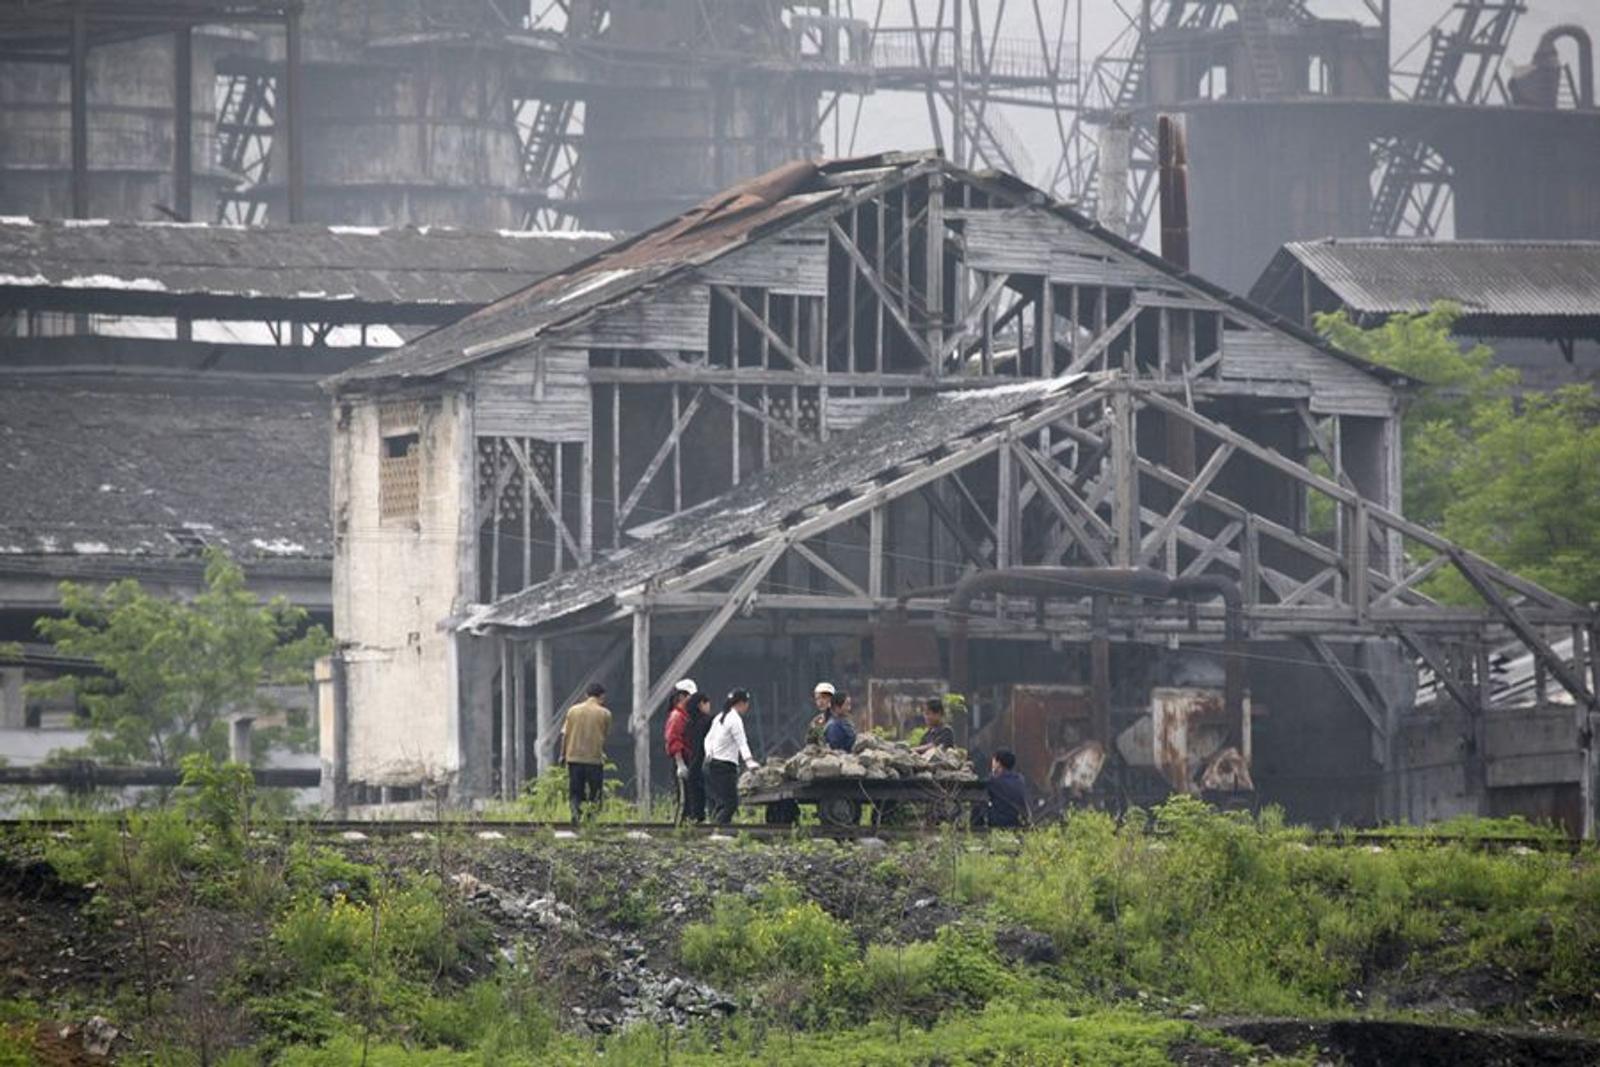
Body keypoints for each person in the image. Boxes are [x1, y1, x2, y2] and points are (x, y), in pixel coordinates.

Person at [704, 688, 760, 824]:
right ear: (741, 703)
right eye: (747, 703)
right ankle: (718, 830)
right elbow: (742, 742)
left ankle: (715, 828)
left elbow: (708, 739)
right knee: (730, 804)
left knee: (718, 803)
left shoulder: (720, 716)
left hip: (711, 765)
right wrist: (749, 761)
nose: (747, 707)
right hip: (725, 766)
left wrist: (709, 754)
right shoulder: (735, 719)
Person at [560, 682, 612, 824]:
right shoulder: (605, 714)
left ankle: (576, 815)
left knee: (576, 791)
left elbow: (565, 735)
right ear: (601, 696)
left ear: (586, 695)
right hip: (594, 760)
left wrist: (563, 755)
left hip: (574, 758)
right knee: (595, 792)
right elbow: (604, 735)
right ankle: (591, 819)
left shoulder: (572, 711)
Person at [662, 678, 696, 823]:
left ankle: (686, 824)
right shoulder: (677, 716)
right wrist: (680, 764)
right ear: (682, 696)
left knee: (689, 798)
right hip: (681, 760)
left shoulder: (684, 715)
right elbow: (674, 740)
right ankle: (679, 826)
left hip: (687, 759)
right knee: (682, 798)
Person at [684, 691, 715, 822]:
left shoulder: (689, 724)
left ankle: (696, 824)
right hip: (706, 763)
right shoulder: (709, 722)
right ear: (701, 704)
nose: (709, 706)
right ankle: (715, 822)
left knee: (696, 802)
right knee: (713, 796)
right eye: (707, 703)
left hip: (693, 763)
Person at [982, 749, 1028, 828]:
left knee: (978, 808)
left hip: (1000, 821)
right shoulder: (1020, 779)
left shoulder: (994, 781)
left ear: (998, 763)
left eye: (994, 761)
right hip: (1017, 820)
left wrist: (993, 773)